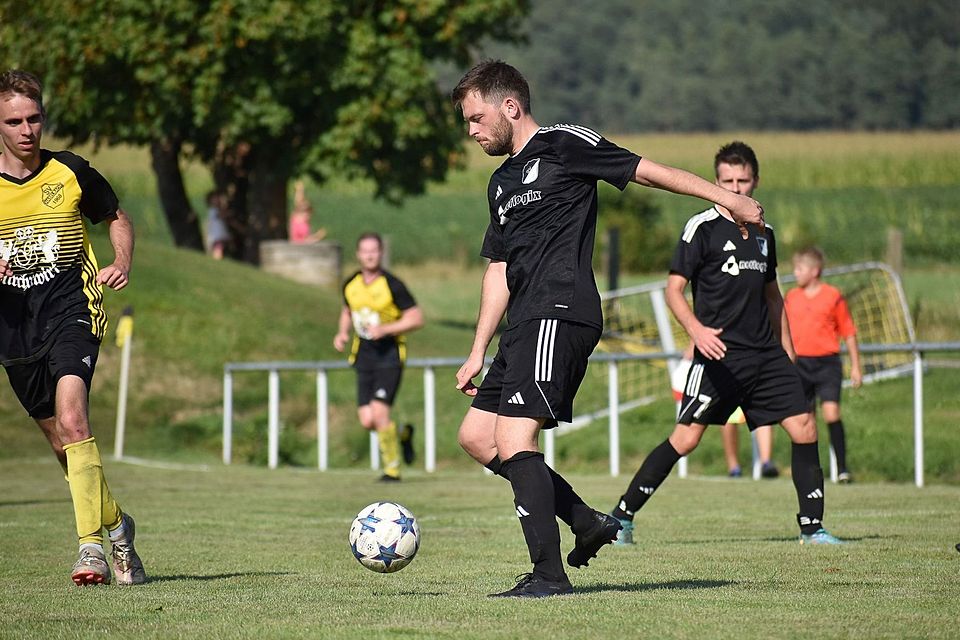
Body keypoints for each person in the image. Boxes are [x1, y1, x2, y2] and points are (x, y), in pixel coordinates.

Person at [450, 61, 767, 599]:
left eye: (477, 118)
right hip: (522, 322)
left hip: (560, 310)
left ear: (511, 106)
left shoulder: (564, 143)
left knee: (514, 438)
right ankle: (586, 521)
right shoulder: (500, 182)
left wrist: (727, 198)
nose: (472, 131)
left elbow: (646, 171)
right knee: (478, 438)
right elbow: (499, 268)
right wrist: (477, 349)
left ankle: (549, 576)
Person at [609, 141, 843, 548]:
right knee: (686, 439)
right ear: (716, 182)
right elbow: (673, 291)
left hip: (765, 354)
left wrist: (788, 350)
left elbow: (773, 296)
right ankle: (622, 517)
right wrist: (696, 332)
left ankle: (812, 528)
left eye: (743, 181)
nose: (735, 188)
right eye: (727, 181)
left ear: (756, 181)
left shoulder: (766, 233)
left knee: (804, 426)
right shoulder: (701, 229)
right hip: (717, 354)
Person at [0, 69, 146, 585]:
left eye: (34, 118)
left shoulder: (71, 170)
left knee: (74, 420)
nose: (27, 130)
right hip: (14, 331)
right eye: (14, 121)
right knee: (66, 447)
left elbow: (116, 217)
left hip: (72, 311)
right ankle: (118, 525)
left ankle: (91, 550)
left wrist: (121, 260)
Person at [333, 232, 422, 481]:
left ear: (381, 253)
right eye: (365, 251)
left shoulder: (393, 285)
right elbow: (347, 310)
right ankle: (402, 434)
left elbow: (416, 318)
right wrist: (342, 333)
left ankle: (392, 470)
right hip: (363, 355)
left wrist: (385, 329)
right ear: (358, 254)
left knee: (380, 413)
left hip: (389, 356)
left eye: (374, 250)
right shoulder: (351, 283)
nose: (370, 255)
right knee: (367, 420)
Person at [785, 247, 862, 483]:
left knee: (831, 413)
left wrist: (856, 366)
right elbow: (782, 330)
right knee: (804, 420)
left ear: (815, 271)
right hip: (800, 364)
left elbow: (848, 332)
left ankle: (842, 468)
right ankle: (809, 469)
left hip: (827, 364)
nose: (795, 273)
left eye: (800, 268)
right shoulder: (791, 297)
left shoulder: (833, 296)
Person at [670, 344, 779, 480]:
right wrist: (694, 344)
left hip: (753, 359)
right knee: (730, 416)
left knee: (762, 411)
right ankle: (734, 467)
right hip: (728, 363)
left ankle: (766, 462)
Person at [289, 180, 325, 244]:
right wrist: (300, 191)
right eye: (307, 212)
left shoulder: (304, 222)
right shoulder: (297, 219)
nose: (309, 215)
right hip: (298, 247)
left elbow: (306, 239)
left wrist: (317, 236)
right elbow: (299, 203)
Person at [205, 190, 229, 259]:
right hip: (216, 237)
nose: (218, 200)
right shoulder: (213, 210)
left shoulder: (217, 210)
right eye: (215, 199)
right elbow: (221, 215)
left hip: (221, 237)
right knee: (218, 250)